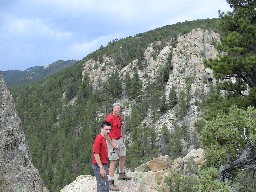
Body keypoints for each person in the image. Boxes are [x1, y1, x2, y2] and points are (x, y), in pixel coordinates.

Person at [105, 103, 131, 191]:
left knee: (123, 156)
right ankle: (110, 182)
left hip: (119, 140)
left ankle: (121, 174)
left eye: (119, 108)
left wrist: (122, 139)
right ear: (113, 109)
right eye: (116, 108)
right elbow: (105, 133)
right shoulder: (109, 118)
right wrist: (112, 143)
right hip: (112, 141)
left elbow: (119, 128)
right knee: (113, 161)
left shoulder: (119, 117)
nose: (117, 110)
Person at [92, 121, 112, 192]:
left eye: (109, 129)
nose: (108, 131)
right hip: (99, 166)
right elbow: (96, 154)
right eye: (106, 129)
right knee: (102, 186)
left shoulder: (103, 138)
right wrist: (101, 168)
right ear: (101, 129)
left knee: (105, 185)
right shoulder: (99, 139)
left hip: (103, 164)